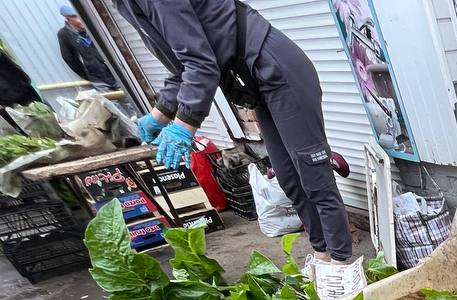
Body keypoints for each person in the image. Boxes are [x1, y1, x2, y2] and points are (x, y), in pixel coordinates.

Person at [114, 0, 353, 262]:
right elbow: (182, 69)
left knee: (313, 175)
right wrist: (158, 116)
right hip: (254, 82)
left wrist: (184, 126)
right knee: (288, 178)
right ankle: (322, 255)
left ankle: (341, 262)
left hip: (276, 68)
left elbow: (200, 63)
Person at [57, 5, 118, 90]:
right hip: (97, 79)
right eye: (77, 17)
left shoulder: (94, 26)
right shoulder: (64, 34)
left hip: (116, 73)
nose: (81, 20)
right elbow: (69, 58)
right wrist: (87, 74)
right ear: (68, 18)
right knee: (111, 101)